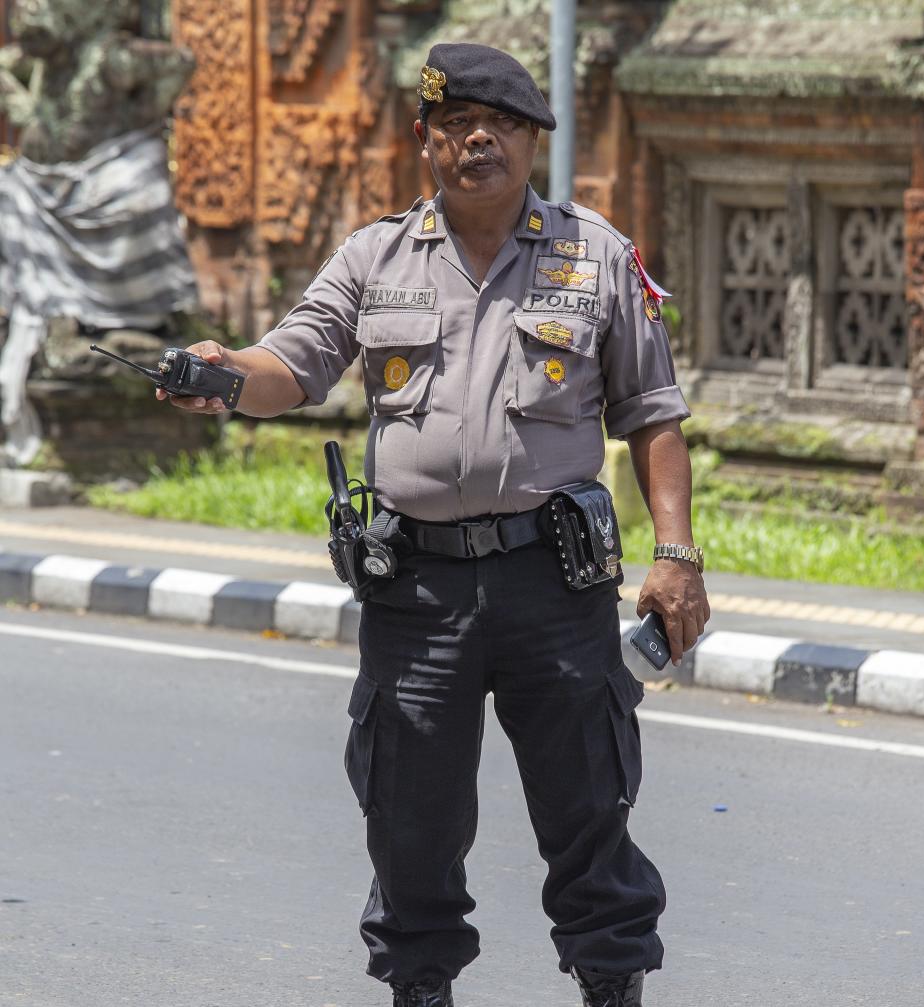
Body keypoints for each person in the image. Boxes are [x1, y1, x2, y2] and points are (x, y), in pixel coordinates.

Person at [159, 42, 710, 1007]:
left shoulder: (596, 255)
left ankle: (612, 986)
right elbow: (295, 360)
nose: (478, 141)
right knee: (409, 815)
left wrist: (675, 555)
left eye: (498, 125)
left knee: (588, 804)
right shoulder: (374, 256)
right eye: (456, 126)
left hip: (556, 580)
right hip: (417, 589)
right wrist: (221, 372)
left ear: (533, 141)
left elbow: (654, 415)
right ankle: (421, 987)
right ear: (426, 142)